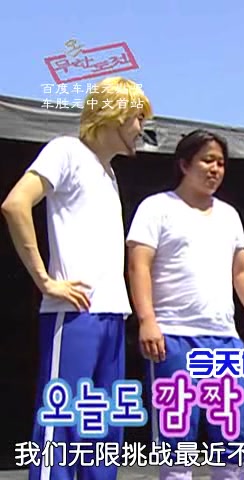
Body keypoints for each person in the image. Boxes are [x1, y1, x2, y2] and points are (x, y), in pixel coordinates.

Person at [1, 76, 151, 480]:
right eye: (138, 118)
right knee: (62, 423)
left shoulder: (108, 173)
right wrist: (45, 280)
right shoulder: (65, 150)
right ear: (115, 114)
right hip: (74, 314)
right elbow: (16, 204)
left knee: (103, 429)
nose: (141, 128)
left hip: (111, 314)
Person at [126, 129, 244, 480]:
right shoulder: (156, 207)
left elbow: (242, 270)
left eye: (221, 163)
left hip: (225, 340)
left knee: (232, 434)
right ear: (184, 164)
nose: (215, 169)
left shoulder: (229, 215)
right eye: (207, 160)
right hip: (173, 337)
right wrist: (147, 319)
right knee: (178, 436)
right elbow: (138, 265)